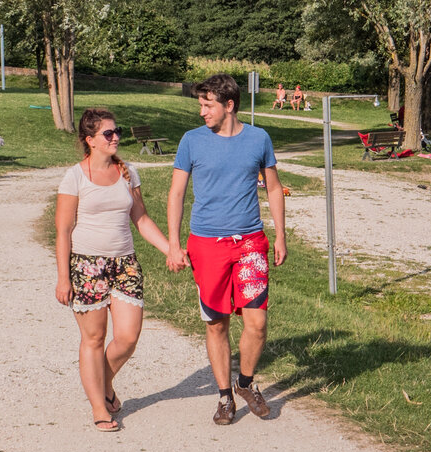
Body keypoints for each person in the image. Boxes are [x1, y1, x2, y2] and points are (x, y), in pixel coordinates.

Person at [166, 73, 287, 425]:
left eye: (208, 105)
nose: (202, 112)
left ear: (229, 105)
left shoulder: (258, 139)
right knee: (216, 323)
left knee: (258, 322)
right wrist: (174, 243)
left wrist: (280, 235)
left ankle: (245, 383)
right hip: (207, 245)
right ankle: (224, 396)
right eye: (200, 105)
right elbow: (176, 193)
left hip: (250, 242)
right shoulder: (191, 141)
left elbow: (274, 189)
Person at [56, 108, 176, 431]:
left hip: (125, 264)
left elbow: (142, 219)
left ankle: (103, 383)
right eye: (108, 134)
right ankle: (99, 405)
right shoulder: (75, 177)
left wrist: (171, 249)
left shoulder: (127, 173)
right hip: (86, 265)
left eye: (116, 131)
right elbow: (63, 231)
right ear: (89, 140)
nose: (116, 138)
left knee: (127, 337)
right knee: (93, 339)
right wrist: (64, 278)